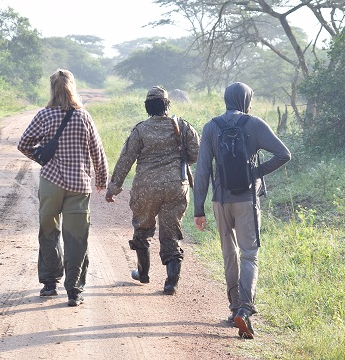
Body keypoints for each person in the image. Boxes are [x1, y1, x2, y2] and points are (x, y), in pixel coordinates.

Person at [193, 82, 291, 339]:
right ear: (245, 100)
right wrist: (255, 173)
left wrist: (198, 209)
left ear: (227, 99)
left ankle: (234, 307)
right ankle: (245, 310)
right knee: (249, 254)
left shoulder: (211, 127)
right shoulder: (254, 124)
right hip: (247, 200)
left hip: (220, 201)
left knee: (229, 254)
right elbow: (284, 154)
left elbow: (202, 170)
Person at [18, 69, 109, 307]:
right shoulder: (83, 116)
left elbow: (23, 144)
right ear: (72, 87)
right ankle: (74, 291)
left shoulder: (44, 115)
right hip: (79, 184)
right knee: (76, 237)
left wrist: (42, 159)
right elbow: (97, 151)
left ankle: (49, 284)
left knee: (49, 232)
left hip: (50, 183)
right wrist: (101, 179)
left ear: (52, 88)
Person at [105, 86, 200, 295]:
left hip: (145, 188)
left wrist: (113, 188)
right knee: (170, 233)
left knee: (142, 228)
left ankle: (143, 273)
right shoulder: (182, 126)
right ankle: (171, 283)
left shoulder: (140, 130)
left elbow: (125, 160)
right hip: (176, 186)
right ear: (167, 104)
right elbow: (196, 154)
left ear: (147, 106)